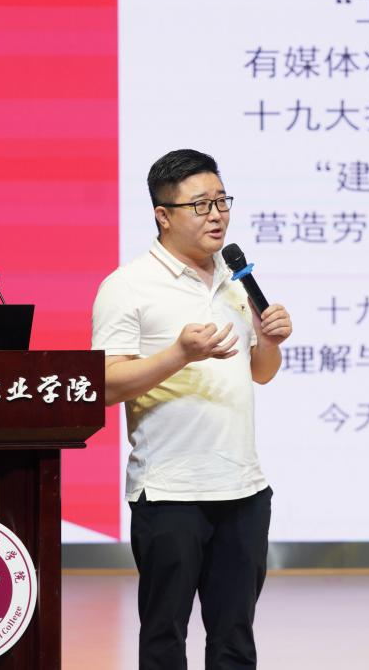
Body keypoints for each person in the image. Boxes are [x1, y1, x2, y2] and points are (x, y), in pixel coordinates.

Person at [91, 149, 293, 669]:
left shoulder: (235, 279)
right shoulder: (127, 286)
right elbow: (105, 384)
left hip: (244, 489)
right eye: (201, 205)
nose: (217, 215)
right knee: (165, 638)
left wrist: (269, 341)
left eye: (222, 201)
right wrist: (179, 354)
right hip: (170, 492)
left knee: (235, 640)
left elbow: (260, 372)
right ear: (163, 215)